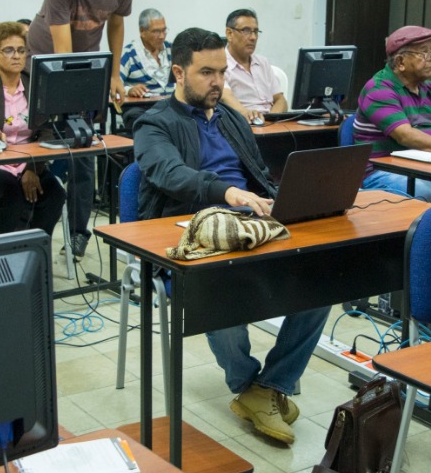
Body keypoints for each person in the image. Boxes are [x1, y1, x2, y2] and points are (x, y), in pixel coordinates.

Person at [133, 28, 328, 445]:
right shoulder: (153, 124)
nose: (218, 82)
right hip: (190, 232)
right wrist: (228, 192)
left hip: (250, 225)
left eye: (221, 72)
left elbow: (259, 175)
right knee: (218, 286)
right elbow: (171, 175)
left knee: (322, 279)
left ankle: (267, 387)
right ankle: (249, 386)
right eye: (206, 72)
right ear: (178, 73)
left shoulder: (231, 119)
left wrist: (287, 200)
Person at [24, 0, 134, 260]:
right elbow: (62, 49)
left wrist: (114, 74)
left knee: (84, 152)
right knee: (35, 150)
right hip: (43, 68)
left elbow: (117, 23)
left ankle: (77, 234)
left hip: (86, 69)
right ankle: (28, 236)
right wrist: (73, 95)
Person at [353, 25, 431, 202]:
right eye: (423, 53)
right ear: (400, 62)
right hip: (384, 171)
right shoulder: (378, 89)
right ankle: (429, 230)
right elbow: (405, 136)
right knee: (424, 190)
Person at [0, 21, 67, 236]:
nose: (17, 56)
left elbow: (47, 129)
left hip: (29, 160)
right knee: (10, 195)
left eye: (21, 50)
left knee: (55, 194)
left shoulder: (35, 84)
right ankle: (2, 258)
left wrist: (32, 169)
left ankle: (35, 251)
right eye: (9, 50)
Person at [220, 8, 285, 123]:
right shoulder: (220, 64)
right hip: (245, 124)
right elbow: (226, 96)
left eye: (255, 31)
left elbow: (280, 99)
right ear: (229, 34)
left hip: (270, 123)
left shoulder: (263, 62)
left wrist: (271, 120)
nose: (253, 37)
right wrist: (249, 115)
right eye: (246, 31)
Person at [120, 8, 171, 96]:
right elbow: (112, 86)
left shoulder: (172, 49)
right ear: (142, 31)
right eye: (156, 31)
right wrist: (129, 90)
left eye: (164, 30)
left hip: (172, 106)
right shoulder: (128, 54)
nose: (162, 36)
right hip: (144, 107)